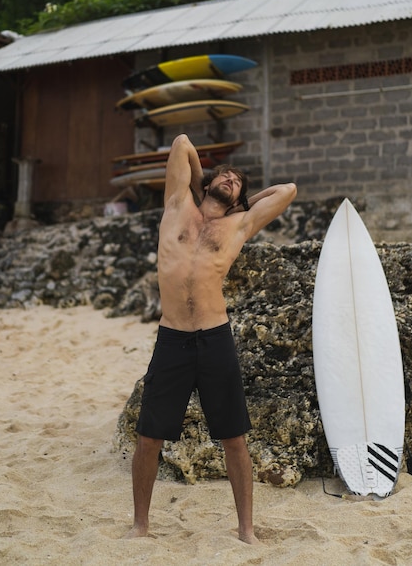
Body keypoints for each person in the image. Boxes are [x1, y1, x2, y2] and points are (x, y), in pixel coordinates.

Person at [126, 133, 297, 544]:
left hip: (215, 339)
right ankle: (140, 526)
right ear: (205, 184)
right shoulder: (177, 203)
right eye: (226, 177)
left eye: (238, 182)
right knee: (149, 437)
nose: (232, 181)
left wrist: (243, 203)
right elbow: (183, 141)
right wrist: (209, 179)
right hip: (172, 339)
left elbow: (288, 191)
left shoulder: (239, 224)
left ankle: (246, 531)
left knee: (233, 437)